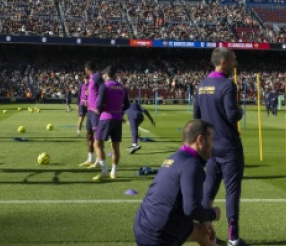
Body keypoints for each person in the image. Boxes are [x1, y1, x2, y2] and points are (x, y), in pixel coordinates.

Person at [133, 118, 220, 246]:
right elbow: (191, 209)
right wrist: (212, 214)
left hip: (143, 227)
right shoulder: (192, 165)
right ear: (200, 140)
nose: (213, 146)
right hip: (159, 237)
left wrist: (204, 220)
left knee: (204, 234)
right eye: (212, 140)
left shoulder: (175, 157)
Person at [193, 47, 248, 246]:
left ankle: (204, 231)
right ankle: (233, 237)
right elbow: (232, 115)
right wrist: (240, 110)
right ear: (223, 62)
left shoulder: (202, 85)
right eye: (233, 59)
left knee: (209, 189)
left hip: (210, 147)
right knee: (232, 190)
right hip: (229, 145)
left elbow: (196, 117)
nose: (236, 63)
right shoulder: (227, 85)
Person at [92, 65, 129, 181]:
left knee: (97, 144)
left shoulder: (104, 87)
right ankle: (114, 172)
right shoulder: (122, 88)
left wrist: (99, 109)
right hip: (118, 118)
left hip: (106, 117)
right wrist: (119, 111)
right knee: (116, 146)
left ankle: (104, 170)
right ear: (115, 75)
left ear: (105, 75)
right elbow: (127, 105)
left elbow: (98, 105)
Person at [79, 62, 103, 168]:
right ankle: (90, 158)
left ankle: (99, 160)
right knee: (88, 134)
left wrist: (98, 105)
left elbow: (103, 89)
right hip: (89, 110)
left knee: (97, 136)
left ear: (87, 69)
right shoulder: (91, 78)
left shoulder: (97, 76)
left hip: (95, 111)